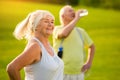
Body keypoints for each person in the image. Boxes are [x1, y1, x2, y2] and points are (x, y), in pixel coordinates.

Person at [6, 10, 64, 80]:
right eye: (46, 21)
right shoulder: (35, 47)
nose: (50, 24)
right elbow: (12, 68)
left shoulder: (47, 44)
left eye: (52, 22)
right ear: (35, 26)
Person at [53, 5, 95, 80]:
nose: (74, 12)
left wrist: (89, 63)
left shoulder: (80, 31)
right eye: (70, 11)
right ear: (63, 16)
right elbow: (64, 34)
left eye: (73, 10)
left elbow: (92, 46)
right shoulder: (57, 29)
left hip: (79, 73)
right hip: (62, 72)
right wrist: (76, 19)